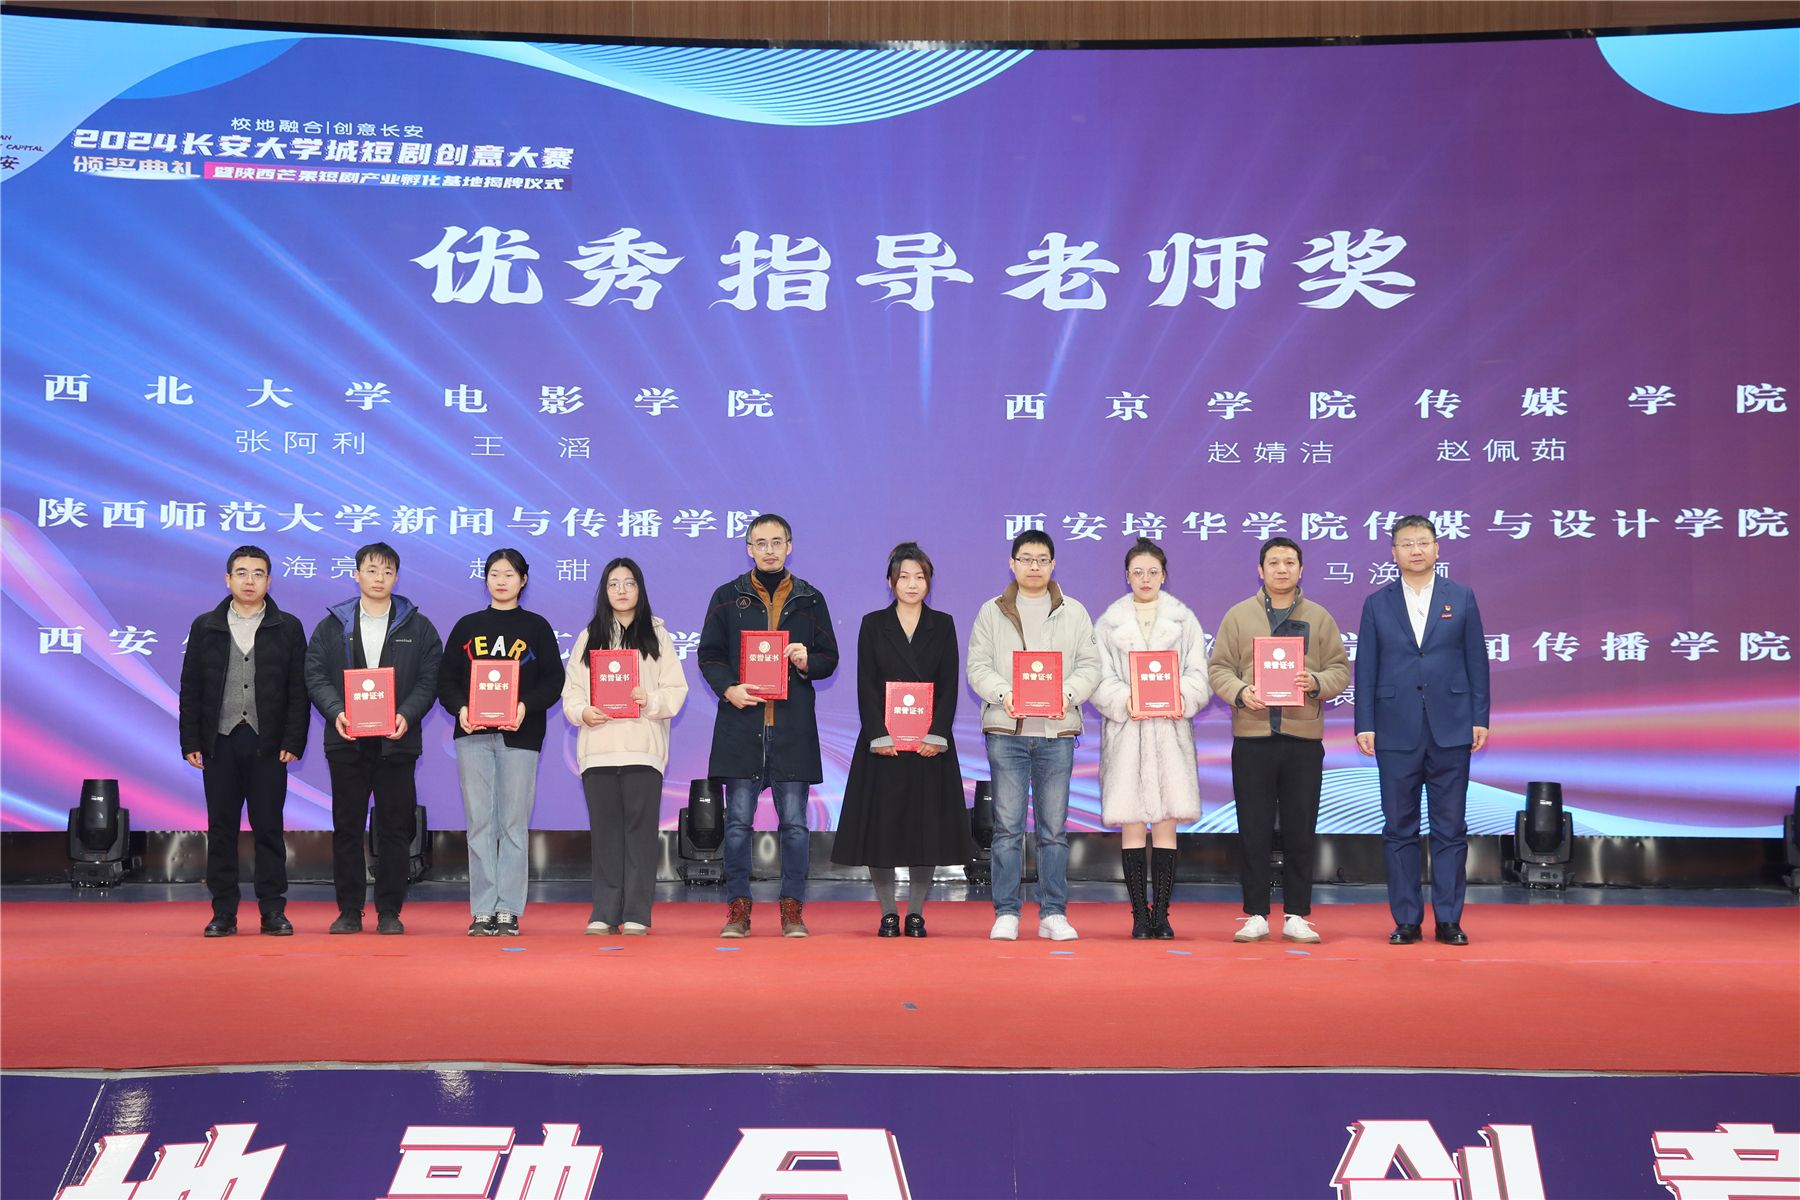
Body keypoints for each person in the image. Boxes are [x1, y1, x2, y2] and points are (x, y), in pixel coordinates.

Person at [697, 513, 839, 938]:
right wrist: (729, 688)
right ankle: (738, 909)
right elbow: (709, 654)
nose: (770, 550)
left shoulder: (810, 598)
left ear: (789, 546)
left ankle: (792, 909)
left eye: (777, 542)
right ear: (749, 549)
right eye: (761, 543)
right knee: (738, 824)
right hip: (743, 726)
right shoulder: (727, 596)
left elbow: (829, 657)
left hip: (792, 728)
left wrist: (806, 661)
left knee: (794, 825)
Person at [1354, 516, 1491, 947]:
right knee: (1399, 827)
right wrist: (1365, 723)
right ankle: (1407, 920)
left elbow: (1477, 661)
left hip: (1452, 726)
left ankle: (1449, 919)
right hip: (1394, 729)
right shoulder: (1377, 603)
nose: (1416, 550)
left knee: (1450, 827)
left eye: (1423, 542)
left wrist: (1479, 716)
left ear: (1437, 549)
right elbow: (1366, 667)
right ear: (1393, 553)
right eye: (1407, 543)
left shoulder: (1461, 597)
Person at [1207, 536, 1349, 944]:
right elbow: (1218, 668)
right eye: (1273, 562)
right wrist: (1240, 691)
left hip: (1302, 739)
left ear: (1301, 570)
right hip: (1252, 736)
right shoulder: (1239, 616)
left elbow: (1340, 670)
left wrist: (1316, 681)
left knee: (1300, 829)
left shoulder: (1319, 617)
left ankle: (1297, 914)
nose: (1282, 569)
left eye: (1289, 562)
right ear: (1260, 570)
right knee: (1253, 829)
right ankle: (1255, 913)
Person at [966, 529, 1102, 941]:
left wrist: (1067, 694)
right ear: (1012, 563)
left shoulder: (1074, 612)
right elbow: (977, 666)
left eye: (1042, 559)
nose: (1034, 566)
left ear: (1053, 564)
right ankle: (1006, 912)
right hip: (1007, 732)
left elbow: (1090, 666)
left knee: (1053, 830)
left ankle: (1053, 913)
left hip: (1056, 734)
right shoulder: (992, 611)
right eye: (1026, 559)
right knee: (1007, 828)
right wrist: (1004, 694)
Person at [831, 543, 972, 937]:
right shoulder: (873, 623)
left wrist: (937, 733)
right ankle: (888, 912)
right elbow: (865, 685)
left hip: (929, 745)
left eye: (920, 577)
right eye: (904, 577)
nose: (912, 584)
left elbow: (948, 685)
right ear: (890, 581)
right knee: (883, 830)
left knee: (926, 830)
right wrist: (877, 734)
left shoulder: (942, 624)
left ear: (929, 582)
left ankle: (916, 913)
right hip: (884, 745)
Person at [304, 541, 442, 935]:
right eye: (371, 570)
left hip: (396, 742)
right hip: (346, 741)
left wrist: (406, 714)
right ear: (357, 574)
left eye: (387, 571)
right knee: (347, 827)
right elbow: (315, 674)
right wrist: (337, 711)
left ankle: (389, 911)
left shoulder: (418, 626)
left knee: (395, 828)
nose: (379, 578)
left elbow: (429, 677)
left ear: (396, 577)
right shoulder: (333, 625)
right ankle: (349, 910)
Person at [177, 545, 310, 937]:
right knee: (221, 829)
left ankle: (273, 911)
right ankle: (223, 912)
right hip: (219, 742)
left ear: (269, 581)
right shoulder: (206, 626)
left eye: (257, 574)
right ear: (227, 579)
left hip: (268, 744)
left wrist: (293, 739)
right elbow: (191, 688)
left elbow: (298, 691)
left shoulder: (288, 627)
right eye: (241, 573)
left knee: (269, 828)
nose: (249, 581)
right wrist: (190, 740)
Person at [437, 549, 562, 937]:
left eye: (509, 574)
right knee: (479, 823)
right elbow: (446, 680)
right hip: (473, 735)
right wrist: (460, 708)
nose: (501, 580)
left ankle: (507, 908)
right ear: (486, 579)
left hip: (521, 736)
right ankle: (482, 909)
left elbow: (554, 681)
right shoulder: (467, 626)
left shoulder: (537, 626)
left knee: (512, 823)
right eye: (494, 574)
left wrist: (525, 705)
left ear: (523, 580)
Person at [1089, 539, 1210, 939]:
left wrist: (1179, 698)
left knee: (1165, 826)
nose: (1145, 579)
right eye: (1138, 572)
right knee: (1131, 826)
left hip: (1170, 733)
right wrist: (1126, 700)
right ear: (1127, 576)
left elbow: (1198, 674)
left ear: (1164, 575)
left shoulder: (1183, 620)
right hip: (1127, 733)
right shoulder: (1108, 623)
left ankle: (1163, 915)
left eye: (1153, 572)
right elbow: (1099, 677)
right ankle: (1140, 915)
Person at [563, 557, 689, 935]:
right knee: (605, 835)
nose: (621, 590)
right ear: (604, 590)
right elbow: (572, 692)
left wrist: (648, 699)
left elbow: (675, 690)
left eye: (629, 583)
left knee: (640, 834)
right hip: (599, 750)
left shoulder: (657, 635)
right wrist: (583, 712)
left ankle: (636, 912)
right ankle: (604, 911)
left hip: (642, 749)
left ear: (640, 589)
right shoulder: (589, 636)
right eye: (614, 584)